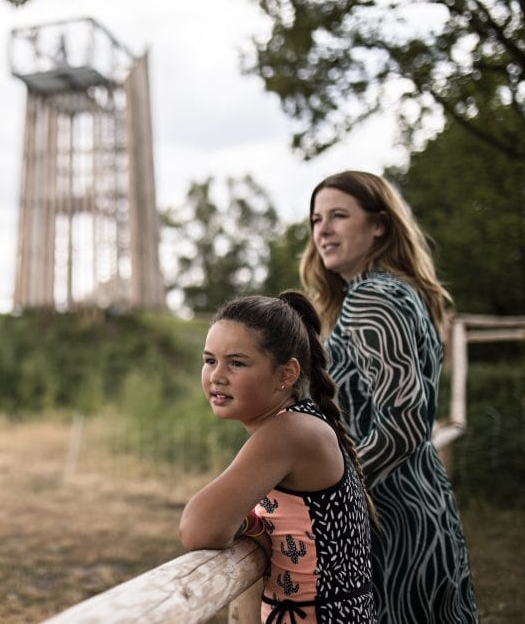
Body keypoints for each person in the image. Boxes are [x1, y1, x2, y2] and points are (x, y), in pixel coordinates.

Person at [301, 170, 479, 623]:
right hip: (414, 506)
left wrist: (325, 494)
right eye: (317, 218)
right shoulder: (394, 291)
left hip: (394, 521)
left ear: (379, 225)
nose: (323, 229)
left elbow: (402, 425)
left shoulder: (373, 298)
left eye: (339, 215)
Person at [179, 292, 375, 623]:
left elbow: (198, 527)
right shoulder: (297, 424)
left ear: (286, 375)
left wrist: (245, 524)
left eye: (237, 362)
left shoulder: (290, 432)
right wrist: (254, 526)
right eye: (210, 359)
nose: (217, 375)